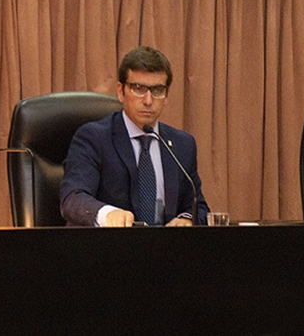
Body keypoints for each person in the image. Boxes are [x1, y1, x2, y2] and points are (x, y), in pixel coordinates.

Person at [60, 46, 210, 226]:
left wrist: (187, 219)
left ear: (166, 96)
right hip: (110, 248)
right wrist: (108, 214)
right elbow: (73, 198)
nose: (148, 100)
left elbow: (199, 208)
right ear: (120, 91)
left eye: (157, 90)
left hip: (166, 251)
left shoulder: (182, 145)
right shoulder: (94, 138)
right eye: (138, 88)